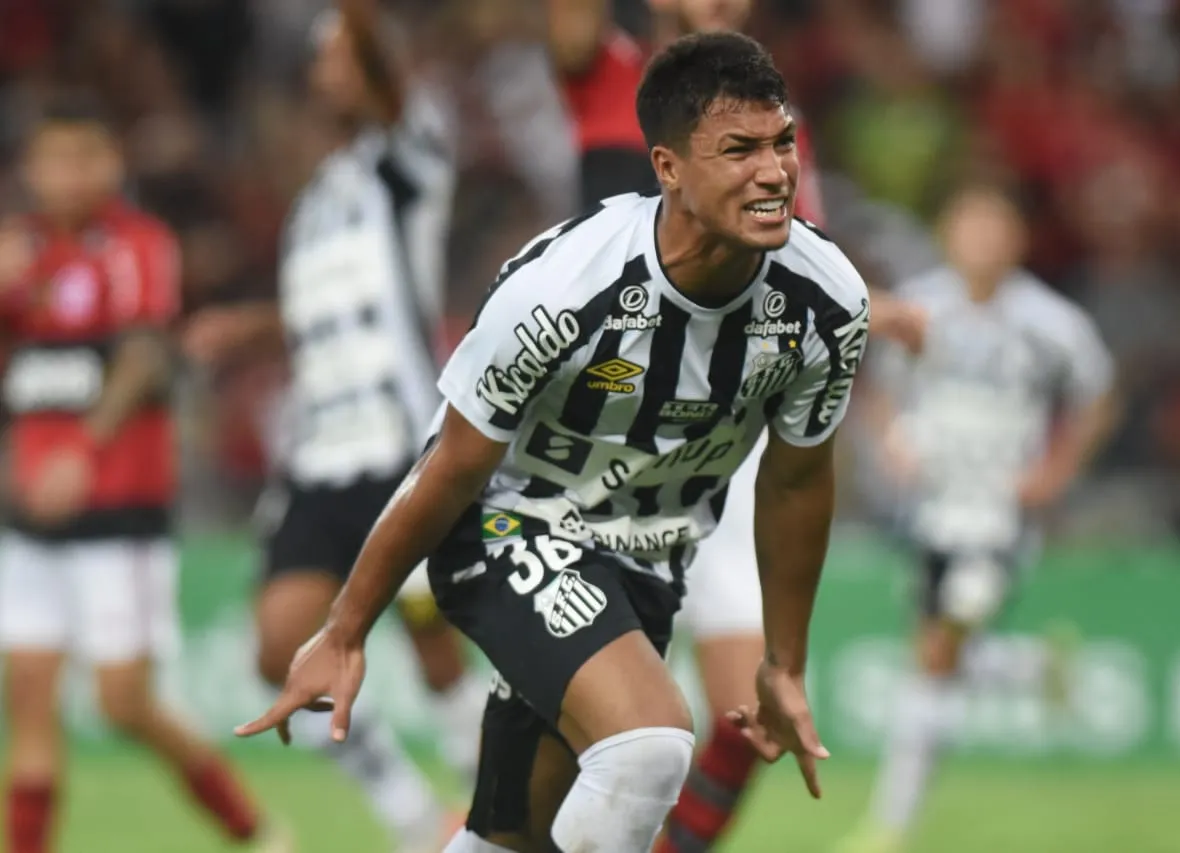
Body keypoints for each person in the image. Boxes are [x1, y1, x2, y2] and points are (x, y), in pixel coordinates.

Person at [238, 31, 871, 853]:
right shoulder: (565, 287)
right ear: (669, 167)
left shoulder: (827, 302)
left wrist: (784, 661)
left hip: (647, 563)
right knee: (647, 745)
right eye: (739, 150)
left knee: (513, 838)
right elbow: (452, 465)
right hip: (510, 524)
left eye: (782, 142)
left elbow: (795, 481)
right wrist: (347, 628)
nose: (775, 171)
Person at [547, 2, 926, 848]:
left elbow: (798, 256)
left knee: (747, 715)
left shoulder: (769, 121)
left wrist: (874, 305)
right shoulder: (606, 71)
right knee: (584, 731)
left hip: (720, 432)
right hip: (600, 433)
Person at [183, 3, 490, 848]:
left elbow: (387, 92)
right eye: (320, 62)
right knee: (280, 647)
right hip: (319, 457)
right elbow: (318, 316)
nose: (326, 75)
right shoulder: (311, 205)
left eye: (340, 59)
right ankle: (412, 819)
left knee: (434, 643)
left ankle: (489, 813)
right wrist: (247, 330)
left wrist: (359, 30)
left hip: (400, 448)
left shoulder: (405, 160)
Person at [0, 100, 287, 853]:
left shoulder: (135, 245)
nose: (66, 175)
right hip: (31, 516)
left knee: (122, 701)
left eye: (82, 158)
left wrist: (82, 450)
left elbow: (147, 353)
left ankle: (255, 830)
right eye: (51, 160)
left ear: (110, 164)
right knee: (28, 699)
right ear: (30, 169)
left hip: (116, 509)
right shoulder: (19, 252)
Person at [836, 183, 1118, 853]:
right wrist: (890, 441)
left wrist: (1055, 471)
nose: (981, 242)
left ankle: (890, 825)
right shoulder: (921, 306)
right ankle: (1032, 669)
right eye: (970, 227)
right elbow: (873, 383)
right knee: (938, 656)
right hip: (931, 509)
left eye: (995, 228)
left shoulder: (1051, 322)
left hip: (998, 513)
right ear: (948, 234)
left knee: (937, 653)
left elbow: (1100, 397)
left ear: (1017, 240)